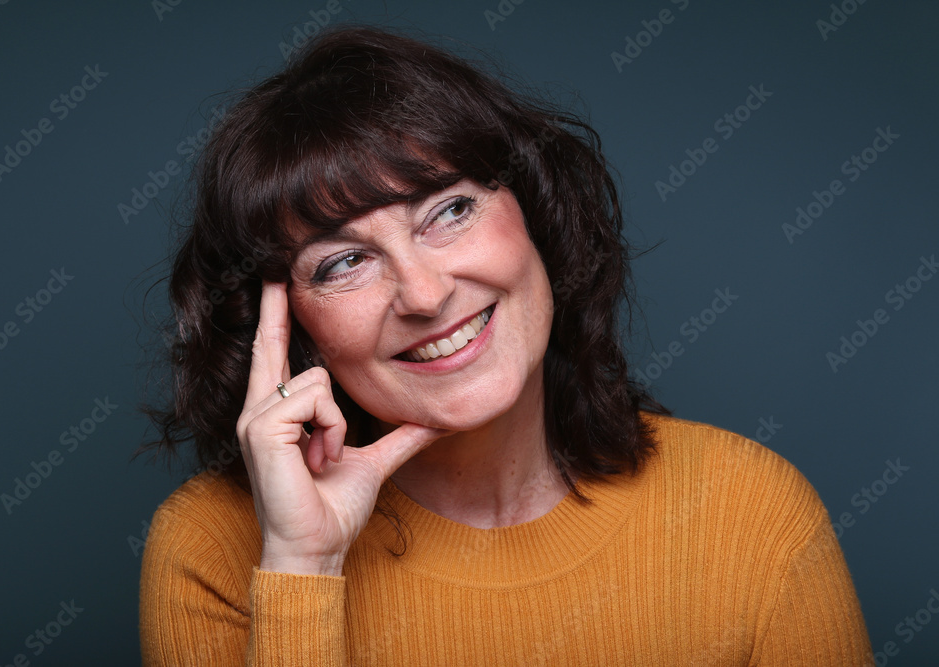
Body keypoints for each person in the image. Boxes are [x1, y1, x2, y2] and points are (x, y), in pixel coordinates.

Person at [139, 25, 872, 665]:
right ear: (291, 327)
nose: (424, 295)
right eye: (344, 262)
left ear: (535, 216)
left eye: (449, 210)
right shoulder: (209, 550)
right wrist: (304, 564)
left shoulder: (751, 513)